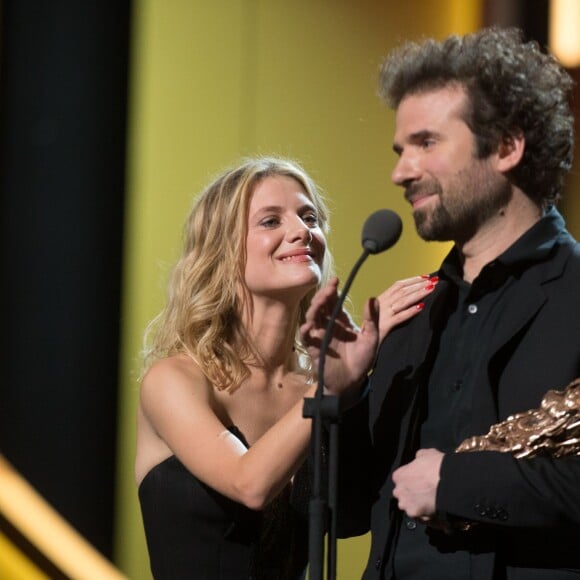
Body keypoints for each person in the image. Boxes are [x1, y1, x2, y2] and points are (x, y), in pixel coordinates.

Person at [301, 27, 580, 580]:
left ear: (506, 146)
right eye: (401, 151)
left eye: (426, 143)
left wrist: (457, 485)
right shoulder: (413, 315)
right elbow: (347, 512)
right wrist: (341, 397)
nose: (401, 172)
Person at [134, 156, 432, 579]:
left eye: (309, 217)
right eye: (270, 221)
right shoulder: (176, 379)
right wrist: (329, 391)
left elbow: (349, 519)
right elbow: (249, 484)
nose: (301, 232)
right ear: (221, 250)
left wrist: (353, 386)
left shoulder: (320, 383)